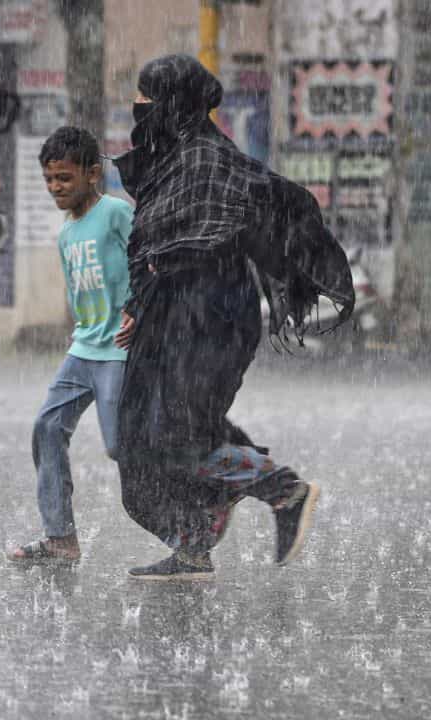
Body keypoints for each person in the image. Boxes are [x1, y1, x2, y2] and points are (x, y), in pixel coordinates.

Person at [111, 55, 355, 580]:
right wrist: (138, 306)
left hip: (210, 318)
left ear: (173, 102)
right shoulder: (170, 163)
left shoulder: (208, 161)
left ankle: (284, 490)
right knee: (136, 441)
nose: (140, 108)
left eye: (148, 98)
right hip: (169, 318)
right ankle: (192, 545)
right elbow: (153, 249)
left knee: (177, 438)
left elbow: (216, 229)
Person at [9, 127, 134, 564]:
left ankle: (193, 511)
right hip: (83, 349)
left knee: (121, 445)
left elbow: (149, 261)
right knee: (46, 428)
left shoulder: (116, 214)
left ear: (93, 174)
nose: (55, 188)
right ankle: (60, 538)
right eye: (49, 180)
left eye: (64, 178)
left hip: (119, 349)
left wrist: (140, 311)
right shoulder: (66, 233)